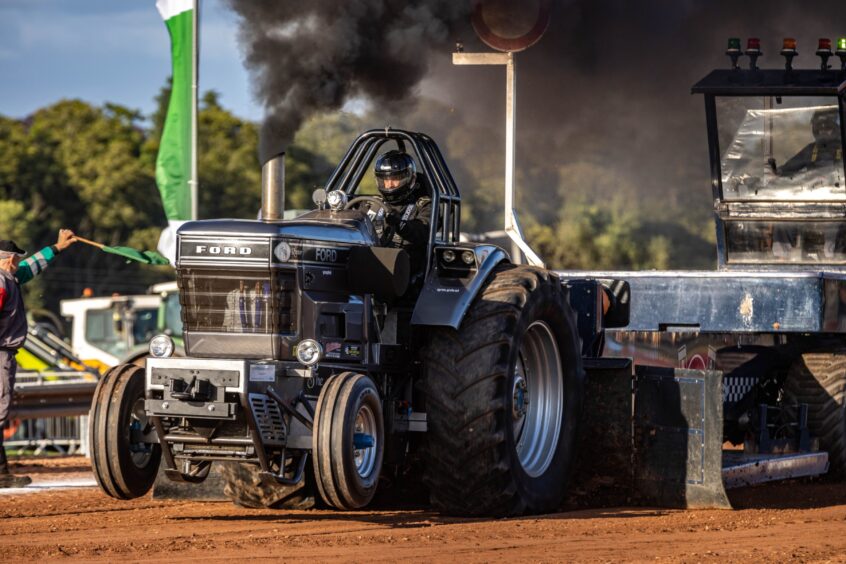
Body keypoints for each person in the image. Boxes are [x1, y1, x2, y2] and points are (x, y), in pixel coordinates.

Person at [0, 230, 77, 487]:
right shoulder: (2, 282)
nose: (20, 264)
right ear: (10, 260)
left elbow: (31, 268)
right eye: (17, 260)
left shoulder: (8, 277)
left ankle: (2, 473)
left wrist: (56, 247)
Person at [373, 150, 432, 283]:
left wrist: (400, 224)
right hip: (371, 262)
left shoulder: (424, 205)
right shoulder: (371, 203)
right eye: (385, 180)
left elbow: (421, 231)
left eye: (395, 180)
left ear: (410, 178)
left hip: (406, 269)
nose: (389, 185)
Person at [776, 108, 842, 176]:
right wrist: (776, 172)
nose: (823, 131)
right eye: (819, 127)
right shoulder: (811, 150)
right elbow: (788, 168)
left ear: (837, 128)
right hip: (815, 185)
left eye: (828, 127)